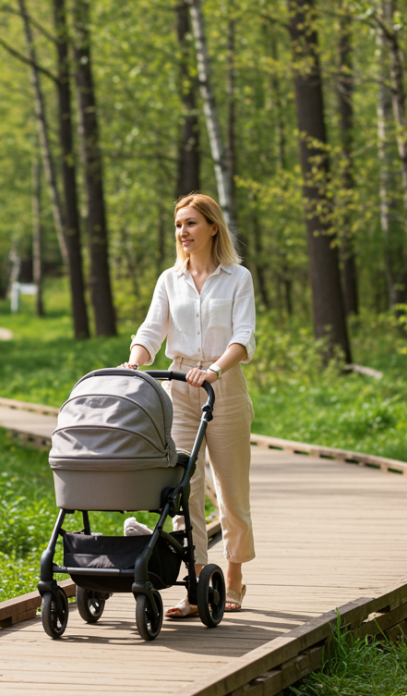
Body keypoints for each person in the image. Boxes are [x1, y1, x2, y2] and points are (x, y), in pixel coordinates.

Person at [120, 192, 256, 618]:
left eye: (192, 223)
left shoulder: (237, 278)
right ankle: (197, 582)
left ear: (213, 227)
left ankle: (232, 576)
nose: (183, 232)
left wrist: (214, 369)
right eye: (179, 225)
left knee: (231, 490)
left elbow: (244, 336)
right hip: (178, 388)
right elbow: (151, 329)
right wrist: (135, 361)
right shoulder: (169, 279)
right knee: (182, 490)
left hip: (224, 387)